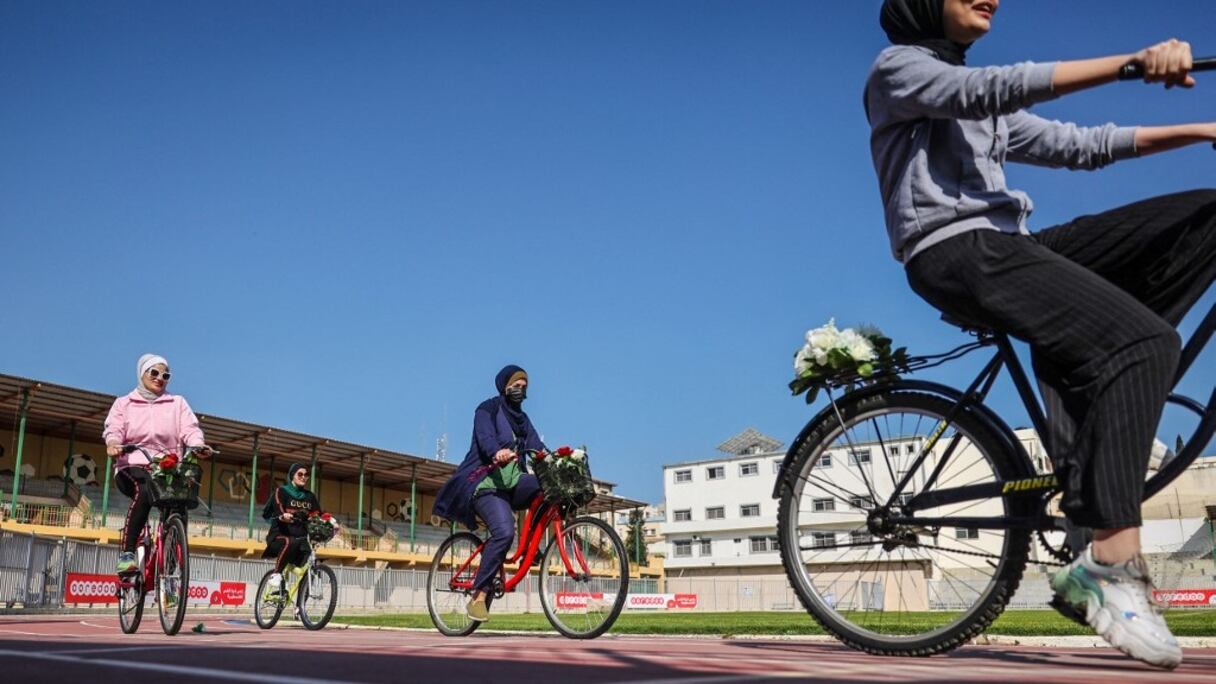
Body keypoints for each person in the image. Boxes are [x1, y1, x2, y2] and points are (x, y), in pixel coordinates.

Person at [865, 0, 1216, 669]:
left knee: (1206, 214)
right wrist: (1132, 63)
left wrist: (1204, 130)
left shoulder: (981, 105)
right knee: (1144, 344)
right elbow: (987, 88)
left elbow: (1080, 147)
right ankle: (1109, 565)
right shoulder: (899, 71)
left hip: (1014, 245)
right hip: (956, 252)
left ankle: (1101, 372)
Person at [432, 365, 547, 622]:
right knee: (504, 532)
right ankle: (478, 596)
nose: (521, 390)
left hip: (511, 482)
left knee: (545, 486)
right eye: (516, 385)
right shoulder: (488, 409)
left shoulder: (523, 419)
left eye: (525, 386)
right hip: (485, 482)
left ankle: (531, 547)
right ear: (504, 385)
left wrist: (551, 458)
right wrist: (497, 451)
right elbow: (485, 438)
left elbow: (536, 447)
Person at [103, 353, 208, 575]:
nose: (160, 378)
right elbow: (114, 429)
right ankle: (128, 553)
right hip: (133, 465)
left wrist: (198, 445)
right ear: (142, 373)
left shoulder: (177, 403)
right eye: (154, 372)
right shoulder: (124, 403)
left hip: (167, 468)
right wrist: (113, 443)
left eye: (165, 375)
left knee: (179, 504)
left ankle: (170, 573)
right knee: (143, 490)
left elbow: (190, 429)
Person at [261, 463, 322, 594]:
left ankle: (300, 607)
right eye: (300, 474)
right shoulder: (282, 491)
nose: (303, 477)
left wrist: (330, 522)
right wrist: (283, 516)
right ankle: (277, 573)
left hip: (301, 540)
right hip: (279, 537)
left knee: (310, 565)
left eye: (306, 475)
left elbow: (317, 514)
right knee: (290, 541)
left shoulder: (310, 496)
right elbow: (278, 507)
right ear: (292, 475)